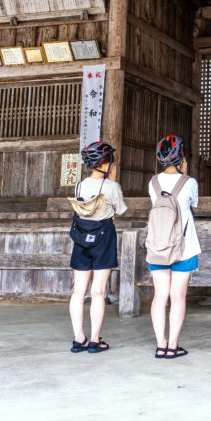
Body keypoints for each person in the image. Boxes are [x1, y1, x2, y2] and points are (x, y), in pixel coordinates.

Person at [67, 140, 127, 354]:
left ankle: (78, 338)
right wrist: (112, 180)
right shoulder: (112, 187)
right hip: (104, 238)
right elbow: (120, 210)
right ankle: (94, 340)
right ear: (106, 163)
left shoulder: (79, 185)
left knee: (78, 291)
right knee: (98, 291)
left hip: (81, 238)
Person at [148, 134, 201, 359]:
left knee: (160, 296)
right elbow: (194, 204)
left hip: (158, 247)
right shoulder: (189, 183)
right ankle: (173, 345)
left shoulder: (153, 183)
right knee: (178, 297)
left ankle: (160, 345)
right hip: (185, 247)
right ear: (181, 158)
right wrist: (185, 172)